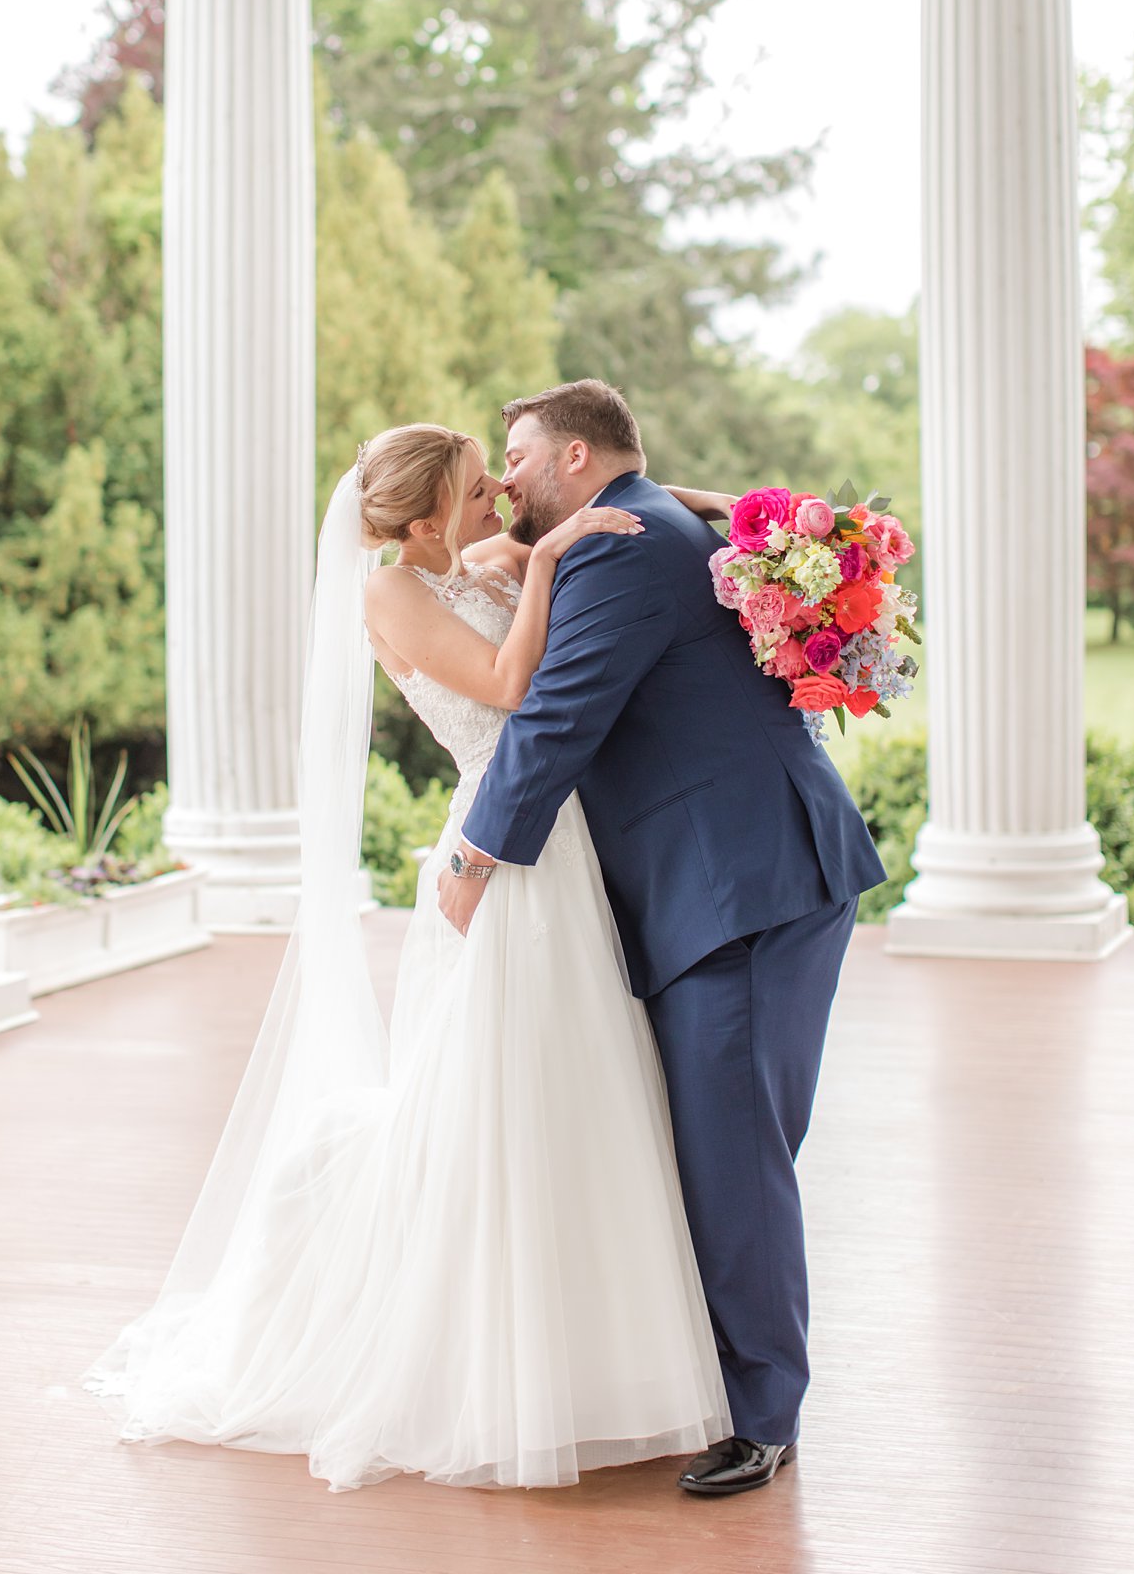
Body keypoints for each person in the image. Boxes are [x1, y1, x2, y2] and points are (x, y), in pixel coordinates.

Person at [82, 418, 745, 1491]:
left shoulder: (478, 557)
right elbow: (505, 688)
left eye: (495, 483)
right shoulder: (387, 592)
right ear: (428, 512)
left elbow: (615, 518)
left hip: (558, 844)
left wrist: (713, 505)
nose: (498, 502)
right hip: (497, 846)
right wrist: (555, 564)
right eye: (478, 490)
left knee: (575, 1079)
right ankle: (475, 1360)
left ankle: (594, 1359)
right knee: (494, 1086)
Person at [439, 380, 887, 1498]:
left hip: (740, 887)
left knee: (733, 1153)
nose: (505, 478)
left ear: (579, 458)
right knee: (721, 1144)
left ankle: (762, 1415)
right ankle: (728, 1377)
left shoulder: (620, 551)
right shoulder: (635, 524)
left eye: (520, 456)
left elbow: (558, 716)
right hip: (743, 875)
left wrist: (473, 857)